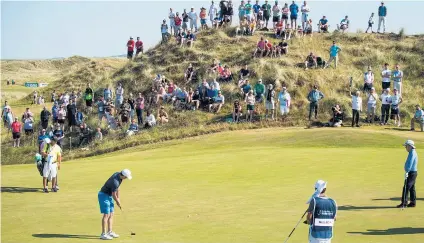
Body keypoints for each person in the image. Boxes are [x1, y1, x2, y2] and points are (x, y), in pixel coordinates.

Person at [98, 169, 132, 240]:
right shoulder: (115, 181)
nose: (126, 179)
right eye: (126, 177)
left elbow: (118, 188)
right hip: (103, 195)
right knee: (106, 214)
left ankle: (109, 232)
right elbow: (114, 194)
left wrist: (118, 198)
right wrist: (117, 201)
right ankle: (103, 234)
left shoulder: (119, 175)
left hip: (109, 195)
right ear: (123, 175)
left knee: (111, 213)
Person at [397, 140, 418, 208]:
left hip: (411, 173)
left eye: (406, 146)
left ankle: (404, 203)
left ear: (410, 146)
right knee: (411, 188)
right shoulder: (411, 152)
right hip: (412, 173)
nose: (405, 147)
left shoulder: (412, 153)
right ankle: (413, 202)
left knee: (406, 187)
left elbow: (410, 163)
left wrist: (407, 171)